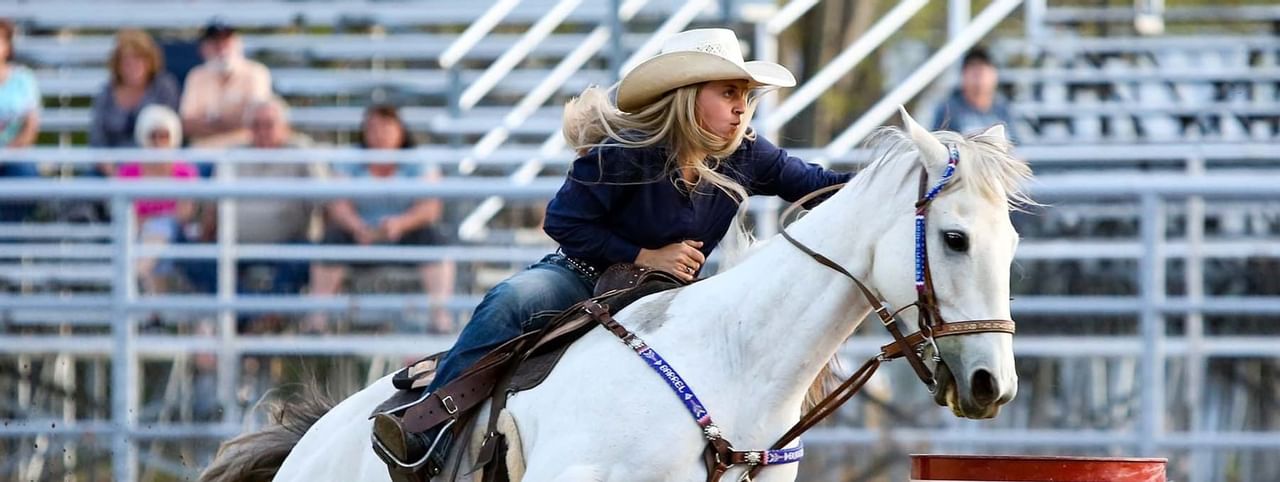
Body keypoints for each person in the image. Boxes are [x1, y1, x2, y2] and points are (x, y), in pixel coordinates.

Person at [370, 28, 852, 480]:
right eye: (728, 93)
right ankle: (426, 430)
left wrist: (901, 179)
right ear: (688, 97)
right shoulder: (625, 151)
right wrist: (645, 255)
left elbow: (814, 185)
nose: (741, 109)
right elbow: (562, 222)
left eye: (746, 97)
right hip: (581, 276)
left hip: (675, 299)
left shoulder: (747, 153)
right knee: (511, 300)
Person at [309, 104, 456, 333]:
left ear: (400, 130)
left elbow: (430, 207)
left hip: (404, 234)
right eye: (373, 127)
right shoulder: (350, 157)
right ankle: (317, 320)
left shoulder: (418, 159)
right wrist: (357, 226)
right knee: (331, 239)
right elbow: (337, 203)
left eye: (386, 127)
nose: (379, 133)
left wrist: (402, 223)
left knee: (434, 238)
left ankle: (440, 317)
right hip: (359, 236)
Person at [116, 105, 198, 293]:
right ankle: (153, 312)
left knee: (160, 228)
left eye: (164, 136)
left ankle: (137, 273)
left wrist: (152, 220)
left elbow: (184, 212)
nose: (159, 142)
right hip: (138, 234)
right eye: (153, 136)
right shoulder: (129, 171)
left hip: (174, 234)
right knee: (153, 243)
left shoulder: (184, 171)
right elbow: (126, 213)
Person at [179, 19, 272, 147]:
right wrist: (232, 120)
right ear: (203, 48)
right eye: (215, 41)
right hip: (203, 153)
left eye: (226, 40)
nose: (221, 46)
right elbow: (187, 124)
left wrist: (211, 120)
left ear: (238, 43)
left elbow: (257, 121)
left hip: (243, 152)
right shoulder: (196, 76)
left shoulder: (256, 73)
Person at [90, 29, 181, 153]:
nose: (133, 66)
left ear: (150, 61)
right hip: (112, 163)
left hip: (154, 162)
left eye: (139, 60)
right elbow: (98, 139)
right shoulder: (106, 93)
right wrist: (112, 169)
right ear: (117, 64)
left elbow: (169, 134)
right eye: (127, 62)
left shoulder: (163, 87)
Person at [0, 18, 42, 222]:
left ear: (8, 46)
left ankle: (8, 246)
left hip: (15, 155)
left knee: (24, 177)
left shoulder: (23, 79)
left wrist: (8, 151)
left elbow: (31, 127)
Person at [931, 46, 1017, 143]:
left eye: (984, 66)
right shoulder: (948, 110)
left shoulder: (1003, 109)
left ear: (994, 75)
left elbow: (1018, 146)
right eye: (972, 66)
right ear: (963, 74)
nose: (978, 72)